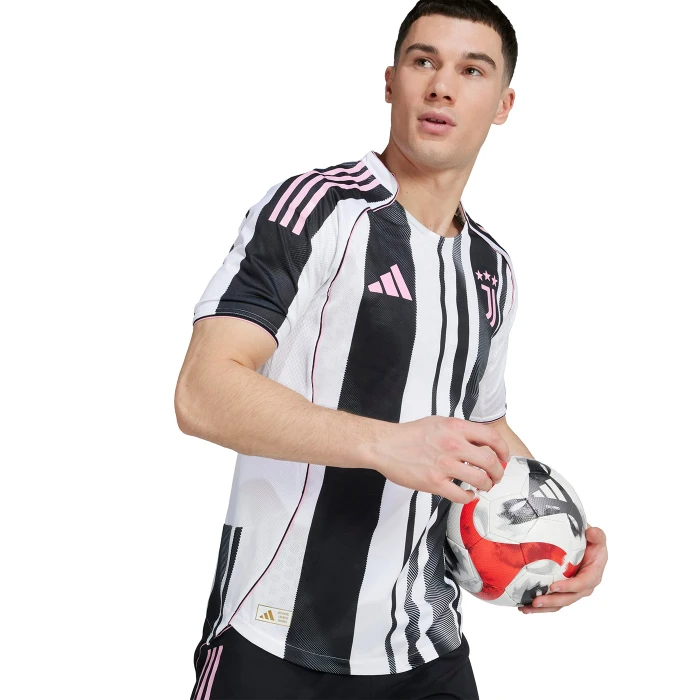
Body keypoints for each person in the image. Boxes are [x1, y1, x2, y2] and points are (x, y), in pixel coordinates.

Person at [175, 1, 608, 698]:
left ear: (503, 105)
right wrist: (386, 445)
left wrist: (564, 534)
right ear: (390, 81)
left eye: (472, 70)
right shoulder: (315, 209)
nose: (442, 86)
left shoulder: (491, 269)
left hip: (425, 646)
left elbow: (485, 428)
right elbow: (203, 392)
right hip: (274, 636)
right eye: (423, 61)